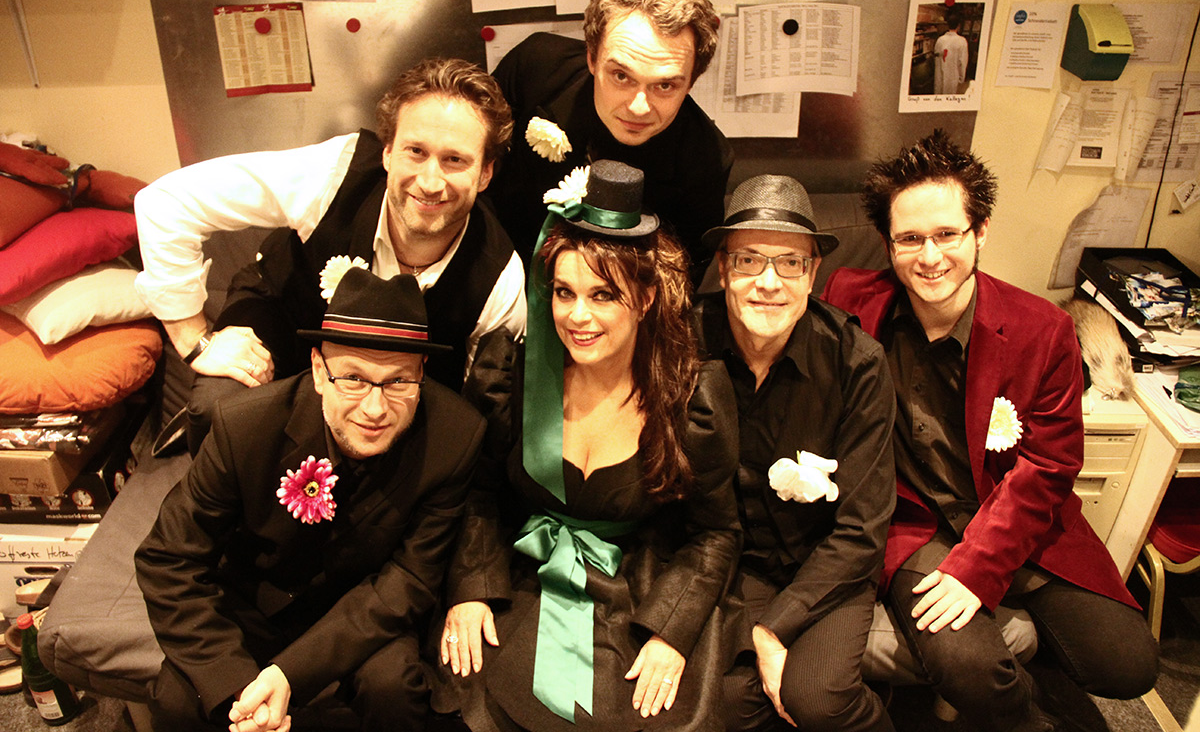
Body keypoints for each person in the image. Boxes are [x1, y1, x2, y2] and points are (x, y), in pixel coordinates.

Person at [822, 130, 1158, 731]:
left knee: (1127, 666)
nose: (930, 257)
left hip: (1017, 518)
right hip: (916, 523)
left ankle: (1016, 645)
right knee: (971, 669)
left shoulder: (1042, 331)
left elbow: (1050, 467)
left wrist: (978, 570)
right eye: (910, 239)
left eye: (947, 234)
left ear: (980, 232)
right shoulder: (852, 301)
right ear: (888, 244)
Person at [436, 161, 739, 731]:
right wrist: (472, 589)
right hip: (526, 576)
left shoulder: (690, 397)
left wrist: (672, 630)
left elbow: (716, 533)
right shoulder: (511, 378)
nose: (578, 316)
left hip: (636, 589)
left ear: (645, 299)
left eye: (603, 295)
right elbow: (479, 496)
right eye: (564, 293)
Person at [134, 267, 486, 732]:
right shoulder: (244, 426)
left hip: (364, 612)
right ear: (320, 371)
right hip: (253, 605)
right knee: (179, 702)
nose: (375, 408)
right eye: (353, 378)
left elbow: (411, 579)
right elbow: (168, 559)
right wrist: (239, 687)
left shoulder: (455, 435)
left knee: (394, 689)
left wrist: (289, 674)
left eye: (399, 382)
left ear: (421, 373)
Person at [133, 57, 526, 451]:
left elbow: (475, 415)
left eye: (455, 160)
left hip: (391, 397)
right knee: (216, 409)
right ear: (388, 153)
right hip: (284, 334)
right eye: (416, 151)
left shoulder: (500, 279)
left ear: (485, 173)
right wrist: (195, 341)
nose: (430, 182)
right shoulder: (332, 174)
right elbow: (165, 203)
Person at [695, 175, 896, 732]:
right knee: (719, 706)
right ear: (723, 269)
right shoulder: (684, 342)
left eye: (789, 263)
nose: (768, 282)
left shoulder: (857, 362)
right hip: (730, 563)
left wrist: (772, 628)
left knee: (817, 700)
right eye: (748, 260)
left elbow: (861, 530)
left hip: (827, 566)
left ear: (812, 274)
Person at [486, 0, 733, 279]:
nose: (639, 108)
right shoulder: (535, 68)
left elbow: (676, 282)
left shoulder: (706, 160)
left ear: (692, 81)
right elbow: (473, 166)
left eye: (665, 85)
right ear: (591, 57)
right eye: (621, 76)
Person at [932, 10, 968, 95]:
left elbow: (936, 59)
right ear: (958, 26)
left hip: (940, 75)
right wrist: (961, 78)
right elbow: (963, 62)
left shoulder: (940, 40)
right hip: (953, 77)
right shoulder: (962, 41)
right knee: (949, 97)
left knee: (939, 97)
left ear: (948, 25)